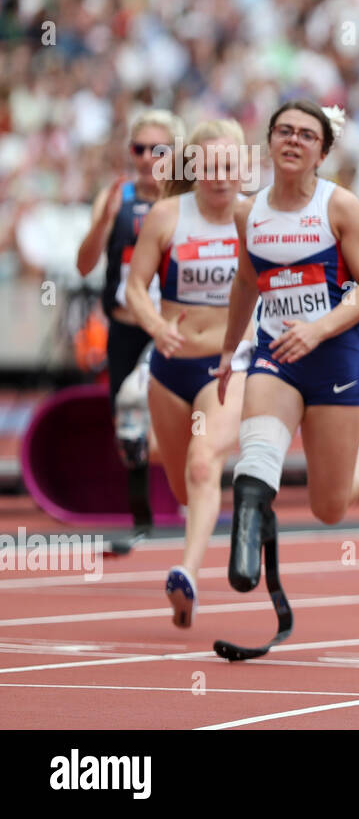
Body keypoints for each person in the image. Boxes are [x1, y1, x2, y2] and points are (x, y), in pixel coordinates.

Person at [211, 100, 359, 626]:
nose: (293, 140)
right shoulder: (248, 212)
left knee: (328, 508)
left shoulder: (341, 207)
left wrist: (319, 328)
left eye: (306, 135)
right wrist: (227, 351)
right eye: (284, 131)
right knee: (257, 452)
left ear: (321, 152)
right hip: (276, 354)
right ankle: (243, 560)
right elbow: (246, 282)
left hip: (334, 355)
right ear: (269, 141)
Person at [125, 119, 254, 627]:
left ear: (242, 168)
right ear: (193, 168)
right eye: (211, 166)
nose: (221, 177)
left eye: (230, 166)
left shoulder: (255, 218)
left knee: (204, 465)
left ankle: (188, 572)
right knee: (184, 483)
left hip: (227, 365)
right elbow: (136, 288)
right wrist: (156, 325)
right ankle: (181, 490)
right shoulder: (166, 216)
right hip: (170, 366)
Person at [75, 109, 186, 548]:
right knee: (129, 426)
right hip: (125, 328)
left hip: (172, 330)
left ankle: (189, 500)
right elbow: (84, 265)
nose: (146, 159)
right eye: (138, 149)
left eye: (158, 150)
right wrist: (104, 221)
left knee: (176, 419)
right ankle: (143, 522)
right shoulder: (115, 197)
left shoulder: (188, 201)